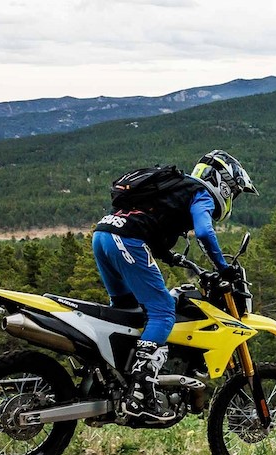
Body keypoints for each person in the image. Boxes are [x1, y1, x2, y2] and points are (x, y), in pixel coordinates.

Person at [92, 150, 257, 422]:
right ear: (223, 183)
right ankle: (140, 394)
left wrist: (171, 257)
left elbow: (147, 219)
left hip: (103, 236)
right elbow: (204, 232)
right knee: (164, 311)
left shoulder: (177, 188)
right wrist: (223, 267)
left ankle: (114, 380)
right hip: (126, 239)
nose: (231, 198)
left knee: (126, 310)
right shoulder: (200, 193)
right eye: (234, 192)